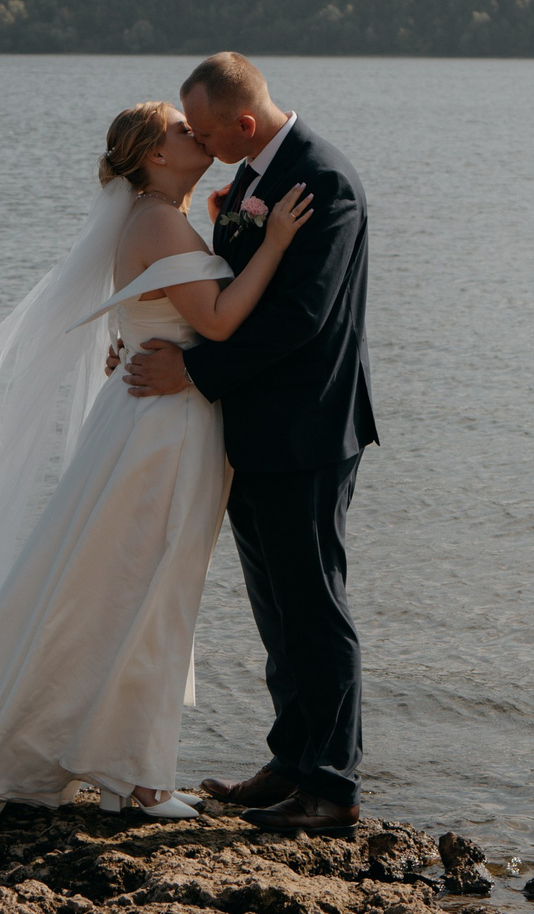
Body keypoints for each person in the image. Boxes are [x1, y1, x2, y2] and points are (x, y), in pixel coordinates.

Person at [0, 99, 311, 819]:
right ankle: (138, 780)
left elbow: (150, 313)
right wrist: (276, 243)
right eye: (180, 129)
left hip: (156, 420)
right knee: (149, 592)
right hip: (164, 430)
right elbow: (216, 320)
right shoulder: (160, 219)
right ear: (152, 155)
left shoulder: (150, 217)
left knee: (116, 590)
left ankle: (106, 757)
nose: (194, 134)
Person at [122, 52, 379, 836]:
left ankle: (332, 784)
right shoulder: (247, 182)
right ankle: (290, 759)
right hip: (252, 428)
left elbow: (297, 316)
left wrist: (192, 372)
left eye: (201, 127)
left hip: (307, 429)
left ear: (241, 121)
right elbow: (220, 283)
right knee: (276, 608)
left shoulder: (321, 178)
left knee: (315, 606)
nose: (195, 137)